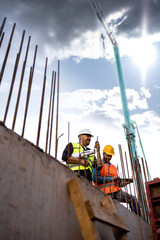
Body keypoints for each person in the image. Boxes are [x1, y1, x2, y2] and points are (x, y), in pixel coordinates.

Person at [93, 144, 140, 215]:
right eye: (107, 155)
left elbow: (115, 182)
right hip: (103, 192)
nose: (109, 157)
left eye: (110, 156)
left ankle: (137, 219)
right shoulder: (98, 164)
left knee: (134, 199)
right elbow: (95, 179)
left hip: (115, 191)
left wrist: (123, 182)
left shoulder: (114, 167)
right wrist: (111, 178)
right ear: (103, 153)